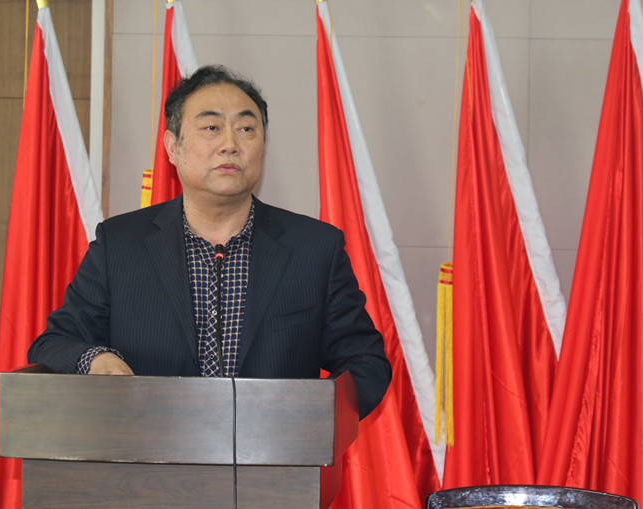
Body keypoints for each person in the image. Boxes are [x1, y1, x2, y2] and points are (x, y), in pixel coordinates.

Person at [27, 65, 391, 419]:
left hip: (273, 454)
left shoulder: (314, 249)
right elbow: (55, 342)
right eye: (211, 128)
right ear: (173, 146)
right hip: (150, 450)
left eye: (246, 129)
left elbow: (365, 361)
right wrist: (96, 359)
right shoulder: (120, 245)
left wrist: (310, 420)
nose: (230, 145)